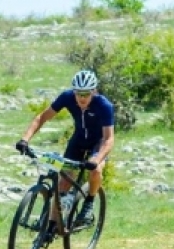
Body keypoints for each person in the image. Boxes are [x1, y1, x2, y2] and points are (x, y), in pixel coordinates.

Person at [15, 69, 114, 233]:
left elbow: (109, 139)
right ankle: (52, 226)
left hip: (98, 143)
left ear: (94, 91)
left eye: (86, 94)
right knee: (64, 182)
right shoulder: (67, 97)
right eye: (78, 93)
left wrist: (96, 159)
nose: (82, 98)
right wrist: (25, 139)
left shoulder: (104, 105)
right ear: (73, 91)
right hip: (78, 141)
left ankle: (89, 202)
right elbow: (42, 117)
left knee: (96, 170)